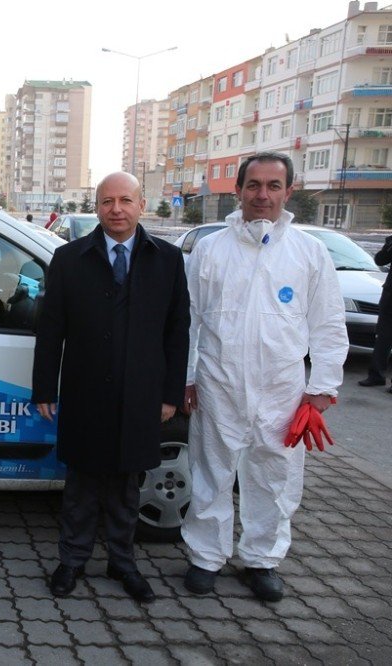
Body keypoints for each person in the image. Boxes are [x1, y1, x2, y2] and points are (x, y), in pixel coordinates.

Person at [181, 151, 348, 602]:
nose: (262, 195)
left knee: (274, 476)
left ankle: (262, 559)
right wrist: (188, 375)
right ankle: (205, 557)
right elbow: (190, 319)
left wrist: (321, 388)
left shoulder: (308, 252)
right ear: (238, 190)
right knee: (211, 472)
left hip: (282, 389)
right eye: (254, 185)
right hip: (218, 383)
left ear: (289, 191)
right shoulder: (212, 249)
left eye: (273, 186)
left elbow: (328, 323)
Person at [32, 171, 189, 604]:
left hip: (140, 395)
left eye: (125, 200)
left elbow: (178, 332)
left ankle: (123, 563)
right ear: (96, 207)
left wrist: (170, 394)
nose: (115, 209)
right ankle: (72, 561)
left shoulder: (168, 261)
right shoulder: (69, 258)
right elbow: (51, 330)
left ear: (142, 205)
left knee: (125, 487)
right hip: (85, 391)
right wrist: (45, 388)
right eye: (106, 202)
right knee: (81, 486)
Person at [358, 234, 392, 390]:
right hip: (390, 295)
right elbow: (380, 260)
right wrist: (388, 245)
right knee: (383, 336)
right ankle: (376, 375)